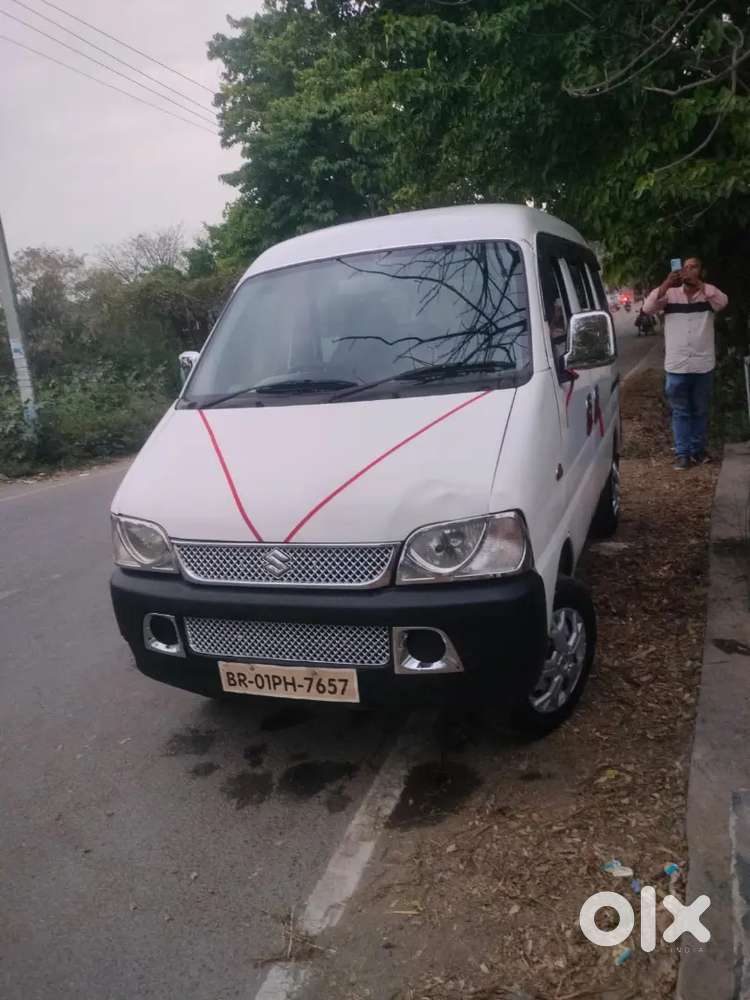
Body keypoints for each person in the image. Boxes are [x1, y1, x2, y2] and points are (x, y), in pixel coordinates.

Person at [643, 257, 728, 470]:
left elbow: (723, 302)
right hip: (677, 365)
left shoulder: (709, 295)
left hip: (702, 364)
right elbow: (648, 308)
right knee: (680, 411)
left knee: (701, 410)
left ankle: (698, 451)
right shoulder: (670, 295)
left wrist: (699, 285)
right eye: (686, 268)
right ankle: (683, 454)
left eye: (693, 267)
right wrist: (665, 284)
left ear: (701, 271)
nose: (689, 271)